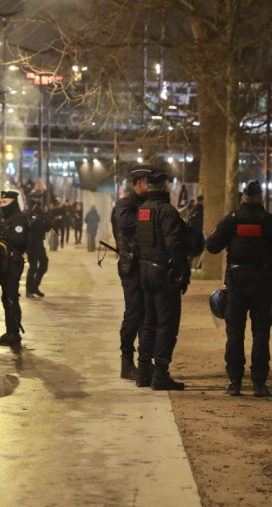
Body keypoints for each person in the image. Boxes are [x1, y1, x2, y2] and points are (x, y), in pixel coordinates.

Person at [205, 181, 272, 397]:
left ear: (242, 198)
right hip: (262, 282)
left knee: (235, 334)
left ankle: (235, 382)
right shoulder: (268, 221)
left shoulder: (232, 220)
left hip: (236, 282)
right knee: (261, 333)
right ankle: (259, 383)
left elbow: (212, 246)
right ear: (260, 199)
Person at [135, 167, 191, 390]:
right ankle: (160, 374)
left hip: (145, 270)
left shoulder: (143, 209)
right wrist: (183, 271)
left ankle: (143, 371)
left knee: (149, 322)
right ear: (165, 187)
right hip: (162, 273)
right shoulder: (167, 211)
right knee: (167, 323)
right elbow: (174, 244)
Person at [110, 164, 152, 380]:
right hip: (131, 266)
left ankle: (145, 361)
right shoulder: (126, 205)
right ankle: (127, 361)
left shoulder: (149, 204)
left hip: (147, 266)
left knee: (147, 316)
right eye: (148, 182)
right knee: (134, 314)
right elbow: (125, 224)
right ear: (138, 183)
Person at [0, 190, 29, 347]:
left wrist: (2, 233)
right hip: (4, 262)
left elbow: (19, 239)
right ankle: (10, 331)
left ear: (13, 203)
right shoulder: (7, 219)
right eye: (1, 203)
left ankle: (14, 334)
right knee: (6, 297)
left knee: (11, 297)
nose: (2, 206)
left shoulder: (19, 220)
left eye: (5, 203)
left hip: (13, 262)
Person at [24, 190, 50, 297]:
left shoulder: (40, 211)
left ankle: (35, 286)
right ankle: (29, 290)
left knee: (44, 264)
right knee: (33, 266)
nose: (38, 200)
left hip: (39, 242)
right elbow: (27, 227)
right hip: (31, 243)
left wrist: (46, 221)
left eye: (39, 198)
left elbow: (47, 227)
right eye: (36, 198)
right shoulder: (28, 212)